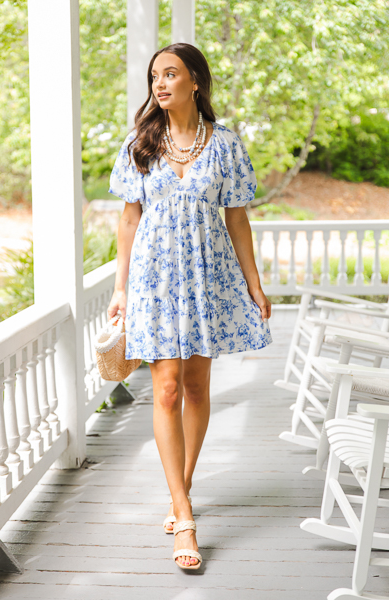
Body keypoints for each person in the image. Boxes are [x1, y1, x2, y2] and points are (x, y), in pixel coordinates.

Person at [107, 42, 273, 571]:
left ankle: (183, 486)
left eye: (171, 74)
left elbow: (238, 219)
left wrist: (254, 282)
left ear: (195, 82)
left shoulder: (224, 145)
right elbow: (129, 221)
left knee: (198, 387)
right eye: (155, 75)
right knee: (167, 386)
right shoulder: (140, 144)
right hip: (155, 280)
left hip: (208, 278)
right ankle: (183, 511)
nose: (159, 83)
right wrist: (120, 287)